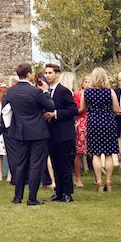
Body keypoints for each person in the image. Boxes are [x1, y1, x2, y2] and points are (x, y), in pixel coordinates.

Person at [4, 63, 55, 205]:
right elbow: (50, 106)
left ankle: (17, 197)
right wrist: (45, 92)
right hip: (37, 131)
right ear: (27, 74)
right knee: (35, 165)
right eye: (32, 72)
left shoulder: (11, 92)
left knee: (20, 164)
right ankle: (32, 198)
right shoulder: (36, 92)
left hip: (20, 131)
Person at [81, 67, 121, 192]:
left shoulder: (86, 92)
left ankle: (99, 181)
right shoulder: (110, 92)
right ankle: (108, 180)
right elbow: (116, 109)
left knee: (96, 154)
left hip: (93, 122)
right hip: (108, 122)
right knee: (109, 154)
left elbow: (82, 108)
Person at [43, 63, 78, 202]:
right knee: (55, 163)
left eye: (50, 73)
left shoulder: (63, 91)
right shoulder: (46, 92)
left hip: (63, 133)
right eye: (46, 73)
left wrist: (55, 113)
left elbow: (73, 110)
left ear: (57, 74)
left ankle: (67, 193)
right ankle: (58, 191)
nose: (47, 76)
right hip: (51, 133)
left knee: (64, 164)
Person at [72, 75, 91, 187]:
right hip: (81, 123)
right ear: (82, 83)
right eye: (86, 82)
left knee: (95, 152)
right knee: (79, 152)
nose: (88, 84)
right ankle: (78, 178)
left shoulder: (96, 94)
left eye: (90, 82)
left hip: (93, 122)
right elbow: (75, 111)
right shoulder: (77, 94)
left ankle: (97, 178)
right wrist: (84, 106)